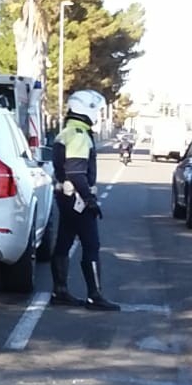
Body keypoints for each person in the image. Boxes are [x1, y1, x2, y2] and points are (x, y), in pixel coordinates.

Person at [49, 89, 121, 311]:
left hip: (65, 197)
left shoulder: (66, 132)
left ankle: (60, 291)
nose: (98, 115)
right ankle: (95, 295)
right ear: (86, 110)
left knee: (63, 243)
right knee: (91, 245)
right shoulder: (80, 135)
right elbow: (76, 172)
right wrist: (90, 200)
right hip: (77, 199)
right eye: (97, 110)